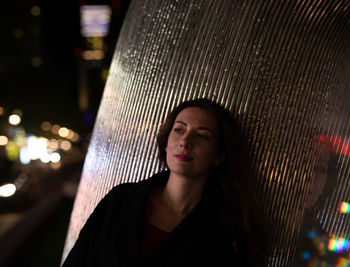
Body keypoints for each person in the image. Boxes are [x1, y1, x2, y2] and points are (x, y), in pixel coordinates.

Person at [62, 98, 264, 267]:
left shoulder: (226, 232)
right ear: (166, 142)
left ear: (219, 156)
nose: (185, 141)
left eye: (202, 135)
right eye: (179, 130)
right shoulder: (120, 200)